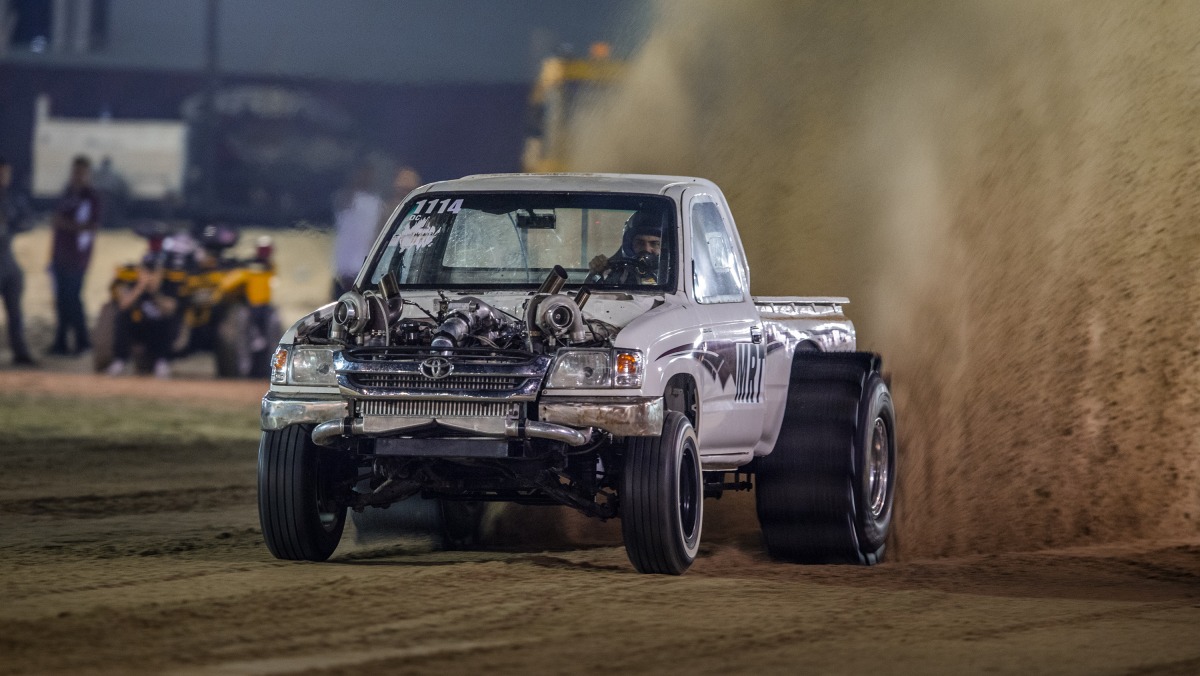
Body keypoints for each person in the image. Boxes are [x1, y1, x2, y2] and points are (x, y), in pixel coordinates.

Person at [49, 155, 101, 355]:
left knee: (73, 299)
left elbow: (92, 227)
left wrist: (66, 225)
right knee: (61, 300)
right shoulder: (67, 193)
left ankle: (83, 341)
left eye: (81, 172)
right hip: (60, 254)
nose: (77, 176)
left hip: (77, 257)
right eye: (75, 171)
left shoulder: (91, 197)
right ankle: (60, 342)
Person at [106, 252, 179, 378]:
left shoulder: (168, 283)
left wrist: (155, 293)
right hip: (136, 329)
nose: (150, 274)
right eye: (147, 270)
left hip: (156, 332)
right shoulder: (131, 281)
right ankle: (119, 361)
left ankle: (161, 363)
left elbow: (171, 308)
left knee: (168, 321)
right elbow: (123, 305)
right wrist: (140, 287)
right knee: (122, 317)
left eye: (153, 271)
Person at [0, 157, 36, 366]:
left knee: (15, 309)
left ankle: (20, 351)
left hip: (7, 256)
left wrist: (12, 225)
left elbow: (27, 221)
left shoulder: (12, 198)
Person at [331, 163, 384, 299]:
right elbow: (342, 204)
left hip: (364, 266)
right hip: (345, 267)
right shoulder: (347, 197)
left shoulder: (376, 202)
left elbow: (378, 230)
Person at [588, 211, 665, 285]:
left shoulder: (672, 274)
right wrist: (596, 273)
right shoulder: (615, 271)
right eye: (640, 243)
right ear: (629, 245)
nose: (647, 249)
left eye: (655, 244)